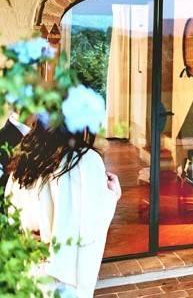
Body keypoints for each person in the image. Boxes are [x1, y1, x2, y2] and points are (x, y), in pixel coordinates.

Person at [5, 120, 121, 297]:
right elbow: (90, 225)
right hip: (62, 277)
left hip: (29, 269)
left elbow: (12, 211)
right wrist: (113, 195)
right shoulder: (84, 160)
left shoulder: (24, 157)